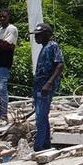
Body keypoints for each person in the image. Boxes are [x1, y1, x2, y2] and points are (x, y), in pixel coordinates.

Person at [32, 23, 64, 151]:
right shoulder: (43, 47)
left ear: (47, 34)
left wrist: (49, 83)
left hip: (46, 86)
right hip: (39, 86)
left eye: (38, 35)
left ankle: (38, 146)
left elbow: (60, 65)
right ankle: (45, 144)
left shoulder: (53, 46)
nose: (36, 37)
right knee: (42, 115)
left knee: (40, 116)